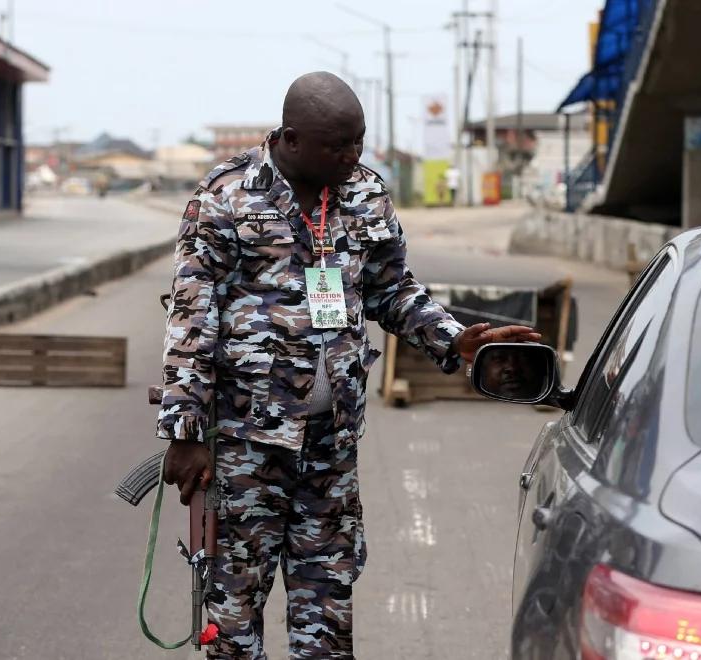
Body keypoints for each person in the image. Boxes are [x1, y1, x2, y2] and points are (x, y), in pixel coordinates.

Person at [156, 72, 539, 659]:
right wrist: (184, 432)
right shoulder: (225, 198)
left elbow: (392, 290)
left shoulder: (364, 194)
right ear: (289, 139)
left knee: (327, 615)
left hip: (330, 444)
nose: (351, 155)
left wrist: (456, 339)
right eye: (337, 145)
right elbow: (192, 314)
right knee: (234, 618)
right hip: (244, 443)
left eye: (357, 141)